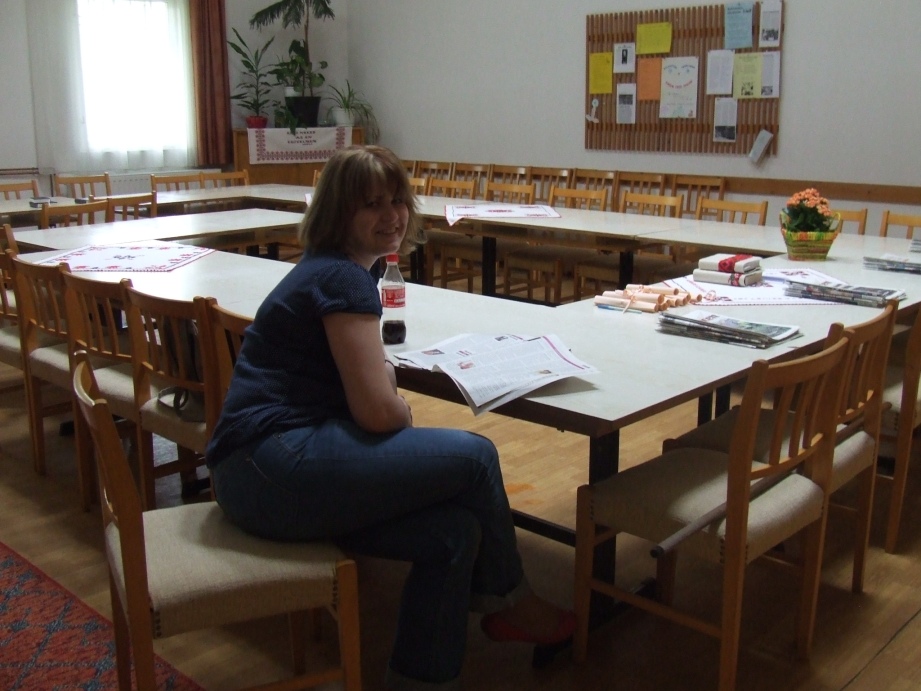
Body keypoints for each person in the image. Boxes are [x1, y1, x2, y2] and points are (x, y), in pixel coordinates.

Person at [205, 144, 575, 690]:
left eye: (398, 200)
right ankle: (513, 602)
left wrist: (382, 382)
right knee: (476, 458)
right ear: (339, 212)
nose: (392, 215)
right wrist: (398, 403)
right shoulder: (343, 279)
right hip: (270, 466)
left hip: (252, 474)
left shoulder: (331, 269)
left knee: (454, 533)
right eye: (372, 204)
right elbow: (380, 414)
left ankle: (418, 680)